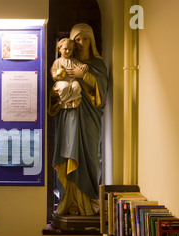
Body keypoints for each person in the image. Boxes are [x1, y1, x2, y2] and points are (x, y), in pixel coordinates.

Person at [50, 23, 109, 216]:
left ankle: (89, 201)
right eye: (77, 40)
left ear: (91, 41)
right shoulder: (63, 62)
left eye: (85, 39)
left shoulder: (97, 65)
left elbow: (100, 94)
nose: (81, 43)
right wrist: (56, 91)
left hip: (89, 118)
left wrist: (84, 75)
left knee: (89, 156)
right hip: (68, 116)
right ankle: (67, 201)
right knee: (67, 154)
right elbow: (55, 84)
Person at [49, 38, 89, 113]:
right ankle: (65, 101)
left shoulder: (74, 61)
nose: (68, 51)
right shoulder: (57, 61)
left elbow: (81, 66)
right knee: (64, 86)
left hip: (72, 81)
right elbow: (53, 72)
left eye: (70, 49)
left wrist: (85, 66)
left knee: (76, 85)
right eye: (65, 49)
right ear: (59, 49)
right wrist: (56, 76)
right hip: (61, 82)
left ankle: (74, 100)